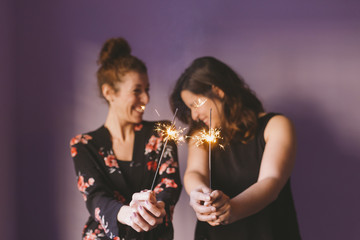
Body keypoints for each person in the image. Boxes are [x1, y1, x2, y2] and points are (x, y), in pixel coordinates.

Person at [170, 56, 301, 239]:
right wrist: (199, 195)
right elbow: (194, 173)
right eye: (189, 108)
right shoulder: (200, 134)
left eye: (195, 104)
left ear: (218, 91)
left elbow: (271, 181)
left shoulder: (276, 125)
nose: (194, 115)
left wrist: (232, 209)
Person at [70, 37, 182, 240]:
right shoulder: (84, 145)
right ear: (109, 92)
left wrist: (156, 206)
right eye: (137, 91)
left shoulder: (162, 133)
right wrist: (128, 215)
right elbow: (96, 197)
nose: (146, 99)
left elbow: (169, 185)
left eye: (147, 90)